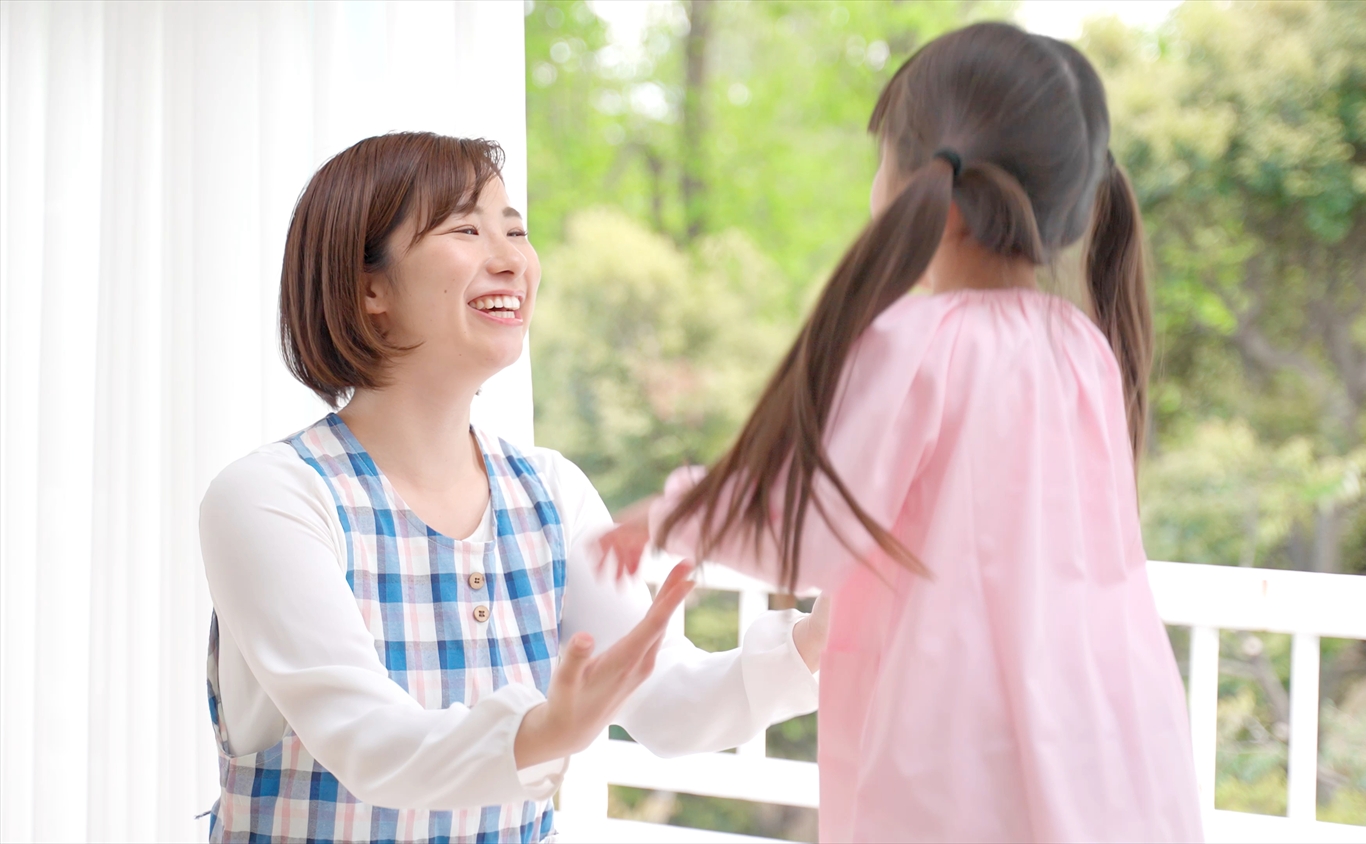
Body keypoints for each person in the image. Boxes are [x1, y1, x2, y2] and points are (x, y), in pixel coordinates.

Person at [602, 22, 1202, 843]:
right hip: (1107, 745)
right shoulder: (1081, 349)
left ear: (928, 190)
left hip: (963, 764)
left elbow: (806, 534)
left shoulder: (915, 343)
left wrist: (673, 514)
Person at [198, 132, 825, 844]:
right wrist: (544, 731)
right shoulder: (272, 497)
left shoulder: (551, 493)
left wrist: (817, 638)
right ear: (369, 288)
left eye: (516, 231)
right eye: (466, 230)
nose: (512, 260)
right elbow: (368, 742)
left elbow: (667, 704)